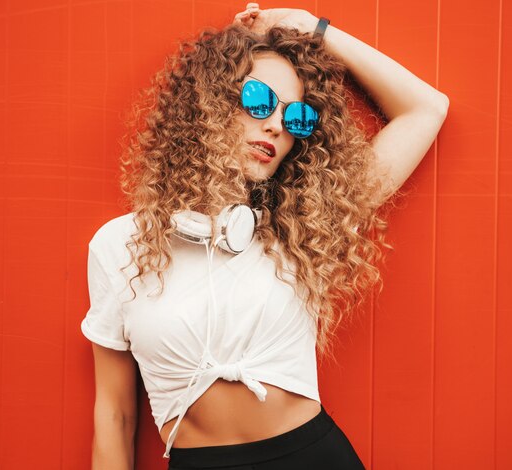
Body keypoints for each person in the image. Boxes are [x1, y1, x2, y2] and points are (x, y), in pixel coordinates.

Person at [81, 3, 449, 470]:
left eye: (296, 118)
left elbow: (426, 108)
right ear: (209, 102)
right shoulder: (120, 246)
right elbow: (114, 416)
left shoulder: (303, 226)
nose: (276, 124)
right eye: (258, 100)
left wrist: (307, 27)